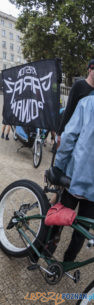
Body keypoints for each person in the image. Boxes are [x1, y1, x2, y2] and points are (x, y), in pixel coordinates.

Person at [51, 90, 94, 262]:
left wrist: (59, 167)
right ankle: (67, 263)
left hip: (75, 177)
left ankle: (44, 252)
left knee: (58, 217)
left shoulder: (87, 103)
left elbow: (68, 137)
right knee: (83, 228)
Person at [57, 59, 94, 146]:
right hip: (73, 132)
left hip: (88, 138)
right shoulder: (79, 86)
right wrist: (60, 133)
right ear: (90, 70)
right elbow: (69, 109)